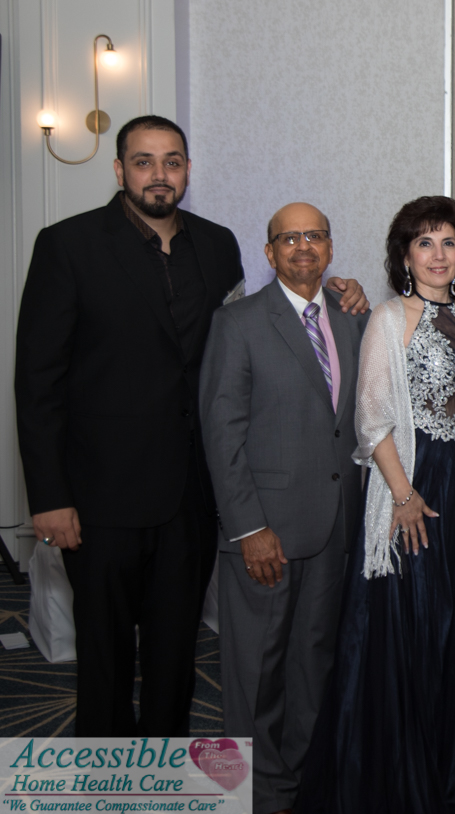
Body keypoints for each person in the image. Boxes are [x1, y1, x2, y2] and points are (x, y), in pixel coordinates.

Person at [13, 116, 367, 737]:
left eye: (172, 161)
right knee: (105, 651)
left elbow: (249, 341)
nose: (159, 174)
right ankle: (107, 774)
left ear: (187, 170)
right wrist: (48, 497)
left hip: (191, 494)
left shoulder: (217, 243)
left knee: (178, 649)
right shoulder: (67, 245)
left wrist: (335, 294)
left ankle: (167, 771)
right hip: (100, 495)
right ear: (120, 170)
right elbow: (37, 381)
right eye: (144, 162)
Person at [296, 196, 455, 813]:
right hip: (415, 481)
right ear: (405, 255)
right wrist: (403, 497)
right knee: (416, 623)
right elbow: (371, 420)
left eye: (448, 242)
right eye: (424, 243)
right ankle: (405, 777)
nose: (437, 254)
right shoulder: (389, 316)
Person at [199, 203, 369, 814]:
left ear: (330, 247)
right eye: (289, 238)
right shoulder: (238, 322)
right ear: (269, 253)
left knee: (312, 664)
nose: (304, 246)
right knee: (255, 672)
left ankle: (299, 779)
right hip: (263, 532)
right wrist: (248, 527)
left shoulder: (353, 318)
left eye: (316, 235)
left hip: (333, 527)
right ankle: (251, 792)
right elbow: (222, 433)